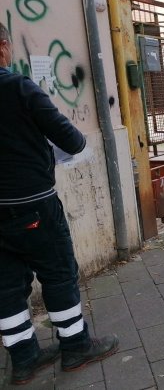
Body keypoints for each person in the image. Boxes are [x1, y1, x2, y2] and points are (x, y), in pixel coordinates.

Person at [0, 23, 118, 385]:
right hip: (33, 204)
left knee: (5, 286)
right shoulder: (18, 87)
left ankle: (24, 358)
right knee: (58, 273)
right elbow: (71, 139)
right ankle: (75, 344)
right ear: (3, 47)